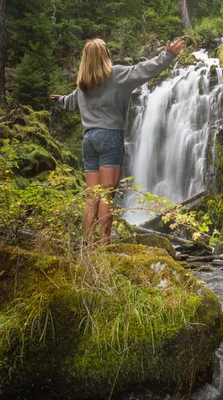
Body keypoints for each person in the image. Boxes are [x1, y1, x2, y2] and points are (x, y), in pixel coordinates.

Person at [50, 37, 184, 245]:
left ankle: (88, 246)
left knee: (91, 196)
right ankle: (104, 246)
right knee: (106, 195)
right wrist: (168, 55)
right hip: (110, 137)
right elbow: (145, 69)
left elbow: (69, 101)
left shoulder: (83, 85)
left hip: (89, 140)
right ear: (106, 56)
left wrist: (59, 100)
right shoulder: (117, 75)